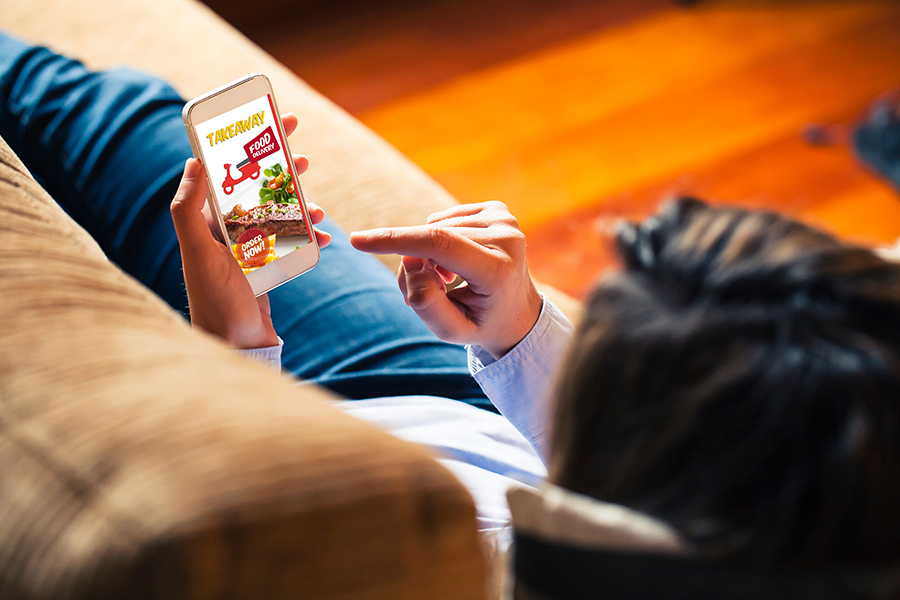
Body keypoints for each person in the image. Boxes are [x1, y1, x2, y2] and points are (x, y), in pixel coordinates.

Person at [5, 31, 900, 570]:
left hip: (296, 441)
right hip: (441, 396)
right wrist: (518, 332)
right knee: (121, 119)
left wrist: (236, 351)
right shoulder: (825, 484)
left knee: (100, 131)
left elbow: (278, 551)